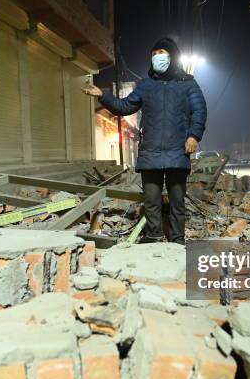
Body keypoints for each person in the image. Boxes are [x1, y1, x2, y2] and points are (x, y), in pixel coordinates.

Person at [82, 37, 207, 244]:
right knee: (151, 201)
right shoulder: (146, 85)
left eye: (162, 54)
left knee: (177, 202)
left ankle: (177, 240)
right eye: (154, 54)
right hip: (150, 153)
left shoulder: (189, 84)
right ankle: (153, 236)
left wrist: (194, 136)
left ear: (172, 56)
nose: (157, 58)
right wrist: (102, 95)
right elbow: (125, 106)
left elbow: (200, 111)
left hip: (178, 151)